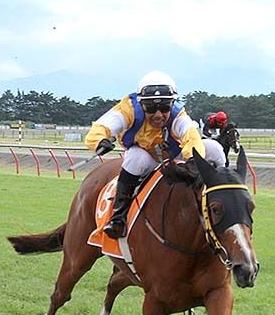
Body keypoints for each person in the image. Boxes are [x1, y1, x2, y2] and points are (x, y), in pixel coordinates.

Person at [84, 71, 225, 239]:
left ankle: (226, 194)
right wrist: (100, 141)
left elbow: (191, 135)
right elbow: (103, 126)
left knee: (214, 148)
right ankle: (118, 216)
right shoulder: (128, 109)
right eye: (150, 108)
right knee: (136, 159)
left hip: (175, 154)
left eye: (164, 107)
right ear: (141, 104)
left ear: (172, 104)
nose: (158, 115)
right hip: (146, 156)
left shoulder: (178, 115)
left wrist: (193, 160)